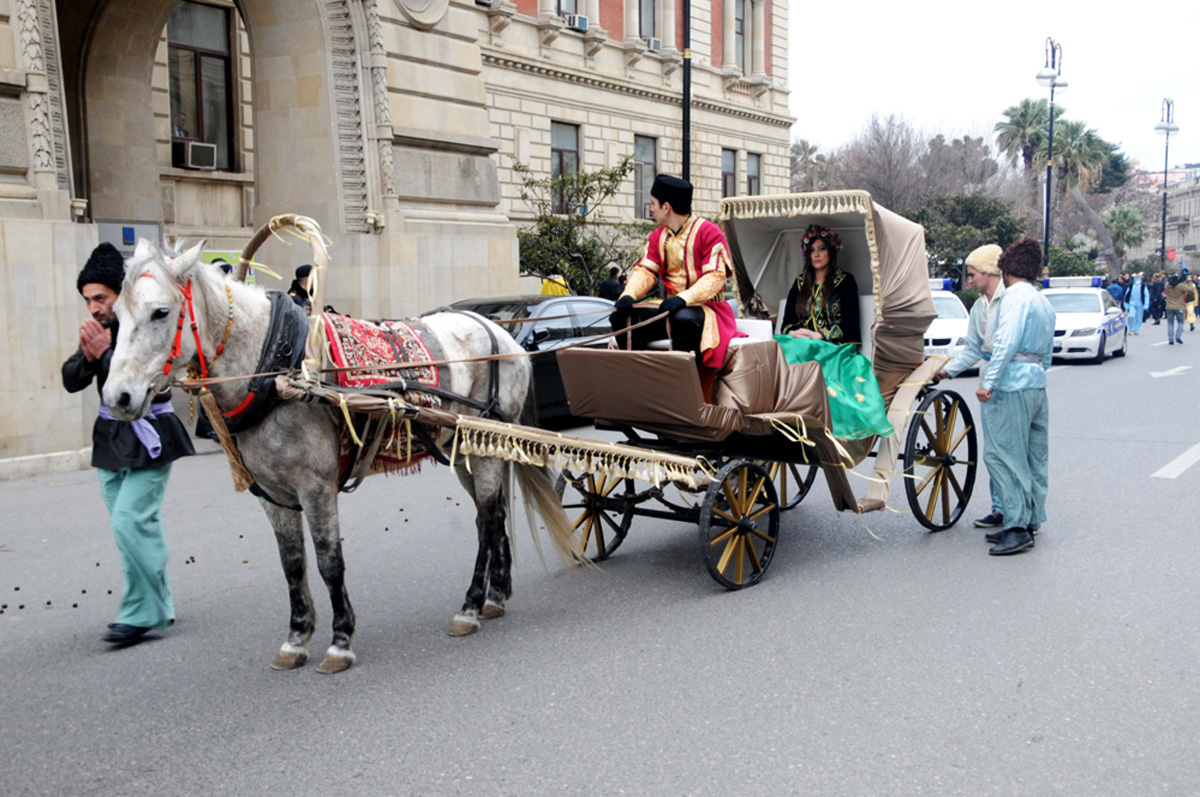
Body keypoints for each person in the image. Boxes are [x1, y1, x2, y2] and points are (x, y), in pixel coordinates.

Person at [61, 243, 195, 643]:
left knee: (129, 521)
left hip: (149, 434)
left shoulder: (143, 327)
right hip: (110, 441)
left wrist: (103, 354)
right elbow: (71, 379)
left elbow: (153, 379)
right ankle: (162, 604)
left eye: (100, 298)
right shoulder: (100, 331)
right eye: (88, 300)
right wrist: (89, 358)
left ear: (121, 293)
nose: (93, 308)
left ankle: (141, 612)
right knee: (135, 527)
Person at [773, 224, 891, 440]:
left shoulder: (845, 282)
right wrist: (795, 332)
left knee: (802, 349)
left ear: (831, 251)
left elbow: (851, 325)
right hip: (801, 342)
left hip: (834, 347)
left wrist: (822, 335)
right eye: (811, 250)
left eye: (821, 249)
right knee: (775, 346)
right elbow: (786, 323)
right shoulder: (799, 284)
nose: (816, 255)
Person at [610, 174, 739, 370]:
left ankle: (685, 387)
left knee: (682, 319)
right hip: (670, 308)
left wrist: (683, 299)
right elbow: (646, 270)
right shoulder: (657, 236)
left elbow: (715, 277)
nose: (651, 208)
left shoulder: (709, 232)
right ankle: (641, 377)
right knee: (620, 317)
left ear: (666, 207)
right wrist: (629, 294)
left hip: (707, 310)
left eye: (653, 203)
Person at [976, 238, 1055, 556]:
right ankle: (1032, 519)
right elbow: (1047, 351)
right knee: (1035, 456)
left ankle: (1017, 526)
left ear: (1005, 270)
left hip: (1011, 386)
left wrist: (989, 382)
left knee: (1003, 456)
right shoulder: (1042, 301)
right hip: (1036, 384)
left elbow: (1004, 343)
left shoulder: (1012, 299)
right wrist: (1036, 372)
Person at [933, 244, 1005, 528]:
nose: (969, 281)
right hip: (986, 376)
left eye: (973, 274)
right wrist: (945, 371)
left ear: (988, 272)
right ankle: (1000, 509)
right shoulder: (978, 308)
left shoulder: (1010, 301)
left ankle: (1020, 514)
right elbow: (972, 351)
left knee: (1010, 451)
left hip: (1007, 378)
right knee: (993, 450)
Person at [1163, 271, 1196, 345]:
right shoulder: (1181, 286)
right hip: (1179, 307)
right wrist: (1189, 281)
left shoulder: (1167, 286)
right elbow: (1190, 289)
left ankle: (1170, 339)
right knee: (1180, 322)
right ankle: (1178, 336)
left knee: (1170, 323)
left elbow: (1167, 283)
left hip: (1169, 307)